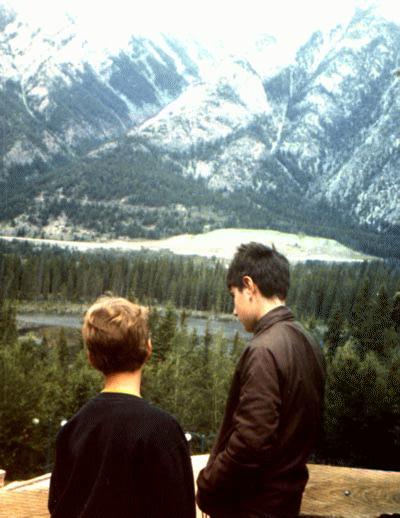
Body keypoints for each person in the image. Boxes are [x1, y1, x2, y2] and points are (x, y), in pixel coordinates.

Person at [196, 243, 325, 518]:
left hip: (252, 509)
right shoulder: (308, 342)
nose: (233, 310)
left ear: (249, 285)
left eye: (234, 296)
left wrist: (207, 486)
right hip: (286, 505)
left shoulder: (263, 350)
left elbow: (250, 443)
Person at [48, 296, 196, 518]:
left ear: (91, 358)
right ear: (148, 349)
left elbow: (58, 507)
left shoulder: (72, 429)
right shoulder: (162, 430)